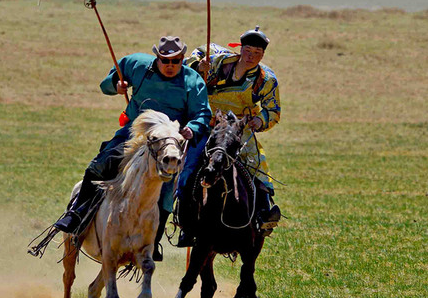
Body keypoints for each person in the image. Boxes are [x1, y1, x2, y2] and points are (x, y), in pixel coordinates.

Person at [52, 35, 212, 261]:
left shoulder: (192, 80)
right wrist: (115, 86)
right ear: (157, 58)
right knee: (101, 164)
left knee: (167, 189)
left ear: (182, 60)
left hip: (169, 140)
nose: (170, 66)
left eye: (176, 61)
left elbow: (203, 113)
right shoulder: (136, 64)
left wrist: (193, 128)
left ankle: (153, 241)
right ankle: (77, 216)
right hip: (135, 132)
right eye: (165, 60)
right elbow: (107, 82)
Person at [177, 26, 281, 245]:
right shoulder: (216, 60)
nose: (251, 56)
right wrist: (198, 66)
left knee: (257, 166)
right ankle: (185, 221)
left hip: (239, 130)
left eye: (257, 53)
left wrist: (259, 120)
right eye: (248, 50)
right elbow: (186, 64)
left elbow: (272, 110)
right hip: (207, 125)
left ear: (263, 55)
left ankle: (264, 214)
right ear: (240, 48)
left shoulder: (266, 79)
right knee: (188, 168)